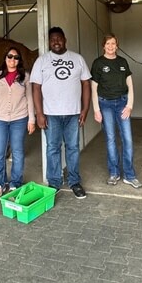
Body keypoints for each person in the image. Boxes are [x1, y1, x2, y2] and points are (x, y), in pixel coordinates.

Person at [30, 27, 91, 198]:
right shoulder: (42, 61)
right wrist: (39, 114)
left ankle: (74, 181)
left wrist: (85, 109)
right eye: (52, 39)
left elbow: (86, 84)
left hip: (73, 113)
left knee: (72, 148)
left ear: (65, 39)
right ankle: (54, 182)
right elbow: (36, 88)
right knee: (53, 149)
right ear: (49, 42)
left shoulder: (77, 59)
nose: (56, 42)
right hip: (51, 114)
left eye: (59, 38)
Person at [91, 34, 142, 189]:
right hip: (105, 104)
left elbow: (130, 85)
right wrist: (96, 109)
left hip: (122, 103)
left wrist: (130, 105)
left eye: (113, 43)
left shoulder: (122, 62)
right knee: (111, 139)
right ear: (103, 46)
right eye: (108, 43)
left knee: (128, 139)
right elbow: (93, 87)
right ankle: (114, 173)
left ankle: (129, 175)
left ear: (117, 46)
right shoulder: (98, 63)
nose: (111, 46)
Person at [0, 46, 35, 198]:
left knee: (18, 151)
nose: (12, 60)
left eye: (16, 57)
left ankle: (16, 183)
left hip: (19, 119)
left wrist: (32, 119)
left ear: (19, 61)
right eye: (9, 56)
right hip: (0, 119)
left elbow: (29, 98)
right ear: (5, 58)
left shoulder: (25, 76)